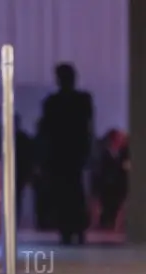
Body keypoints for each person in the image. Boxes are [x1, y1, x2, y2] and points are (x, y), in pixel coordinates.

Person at [39, 63, 94, 244]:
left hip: (64, 153)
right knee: (72, 192)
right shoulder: (80, 100)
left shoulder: (53, 102)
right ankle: (73, 229)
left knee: (67, 192)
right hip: (69, 153)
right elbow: (87, 128)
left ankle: (70, 230)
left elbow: (46, 130)